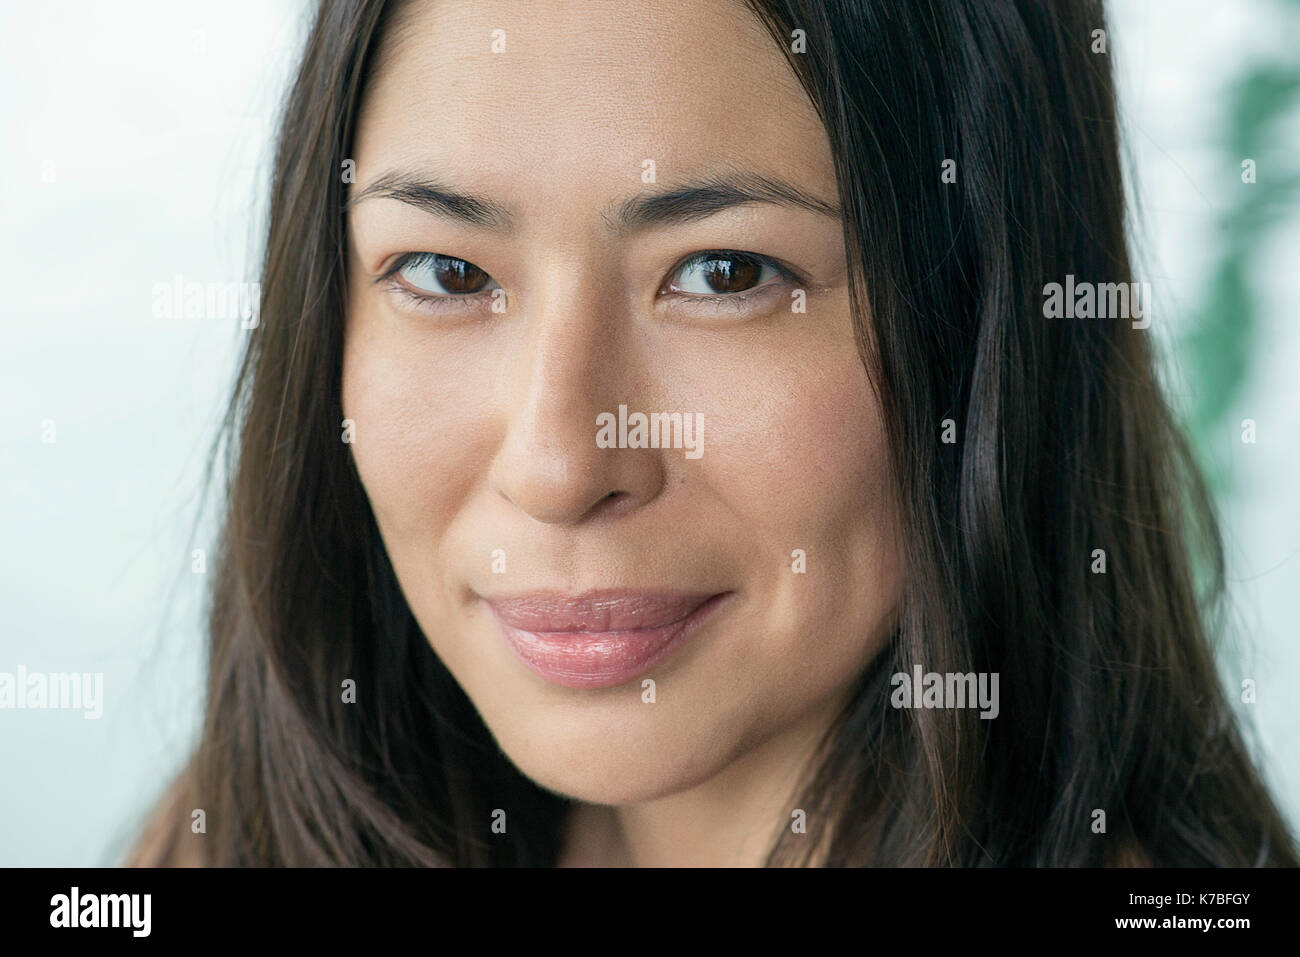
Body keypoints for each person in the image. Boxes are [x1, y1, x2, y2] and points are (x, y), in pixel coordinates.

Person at [129, 0, 1298, 867]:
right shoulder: (239, 834)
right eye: (445, 271)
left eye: (724, 273)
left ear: (990, 332)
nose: (557, 464)